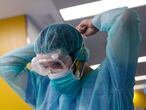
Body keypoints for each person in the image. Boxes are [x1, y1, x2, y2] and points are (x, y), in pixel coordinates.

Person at [0, 7, 142, 110]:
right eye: (44, 66)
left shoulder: (112, 81)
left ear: (79, 57)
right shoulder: (43, 91)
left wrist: (93, 22)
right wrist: (45, 46)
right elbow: (5, 65)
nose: (51, 72)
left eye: (56, 64)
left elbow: (124, 19)